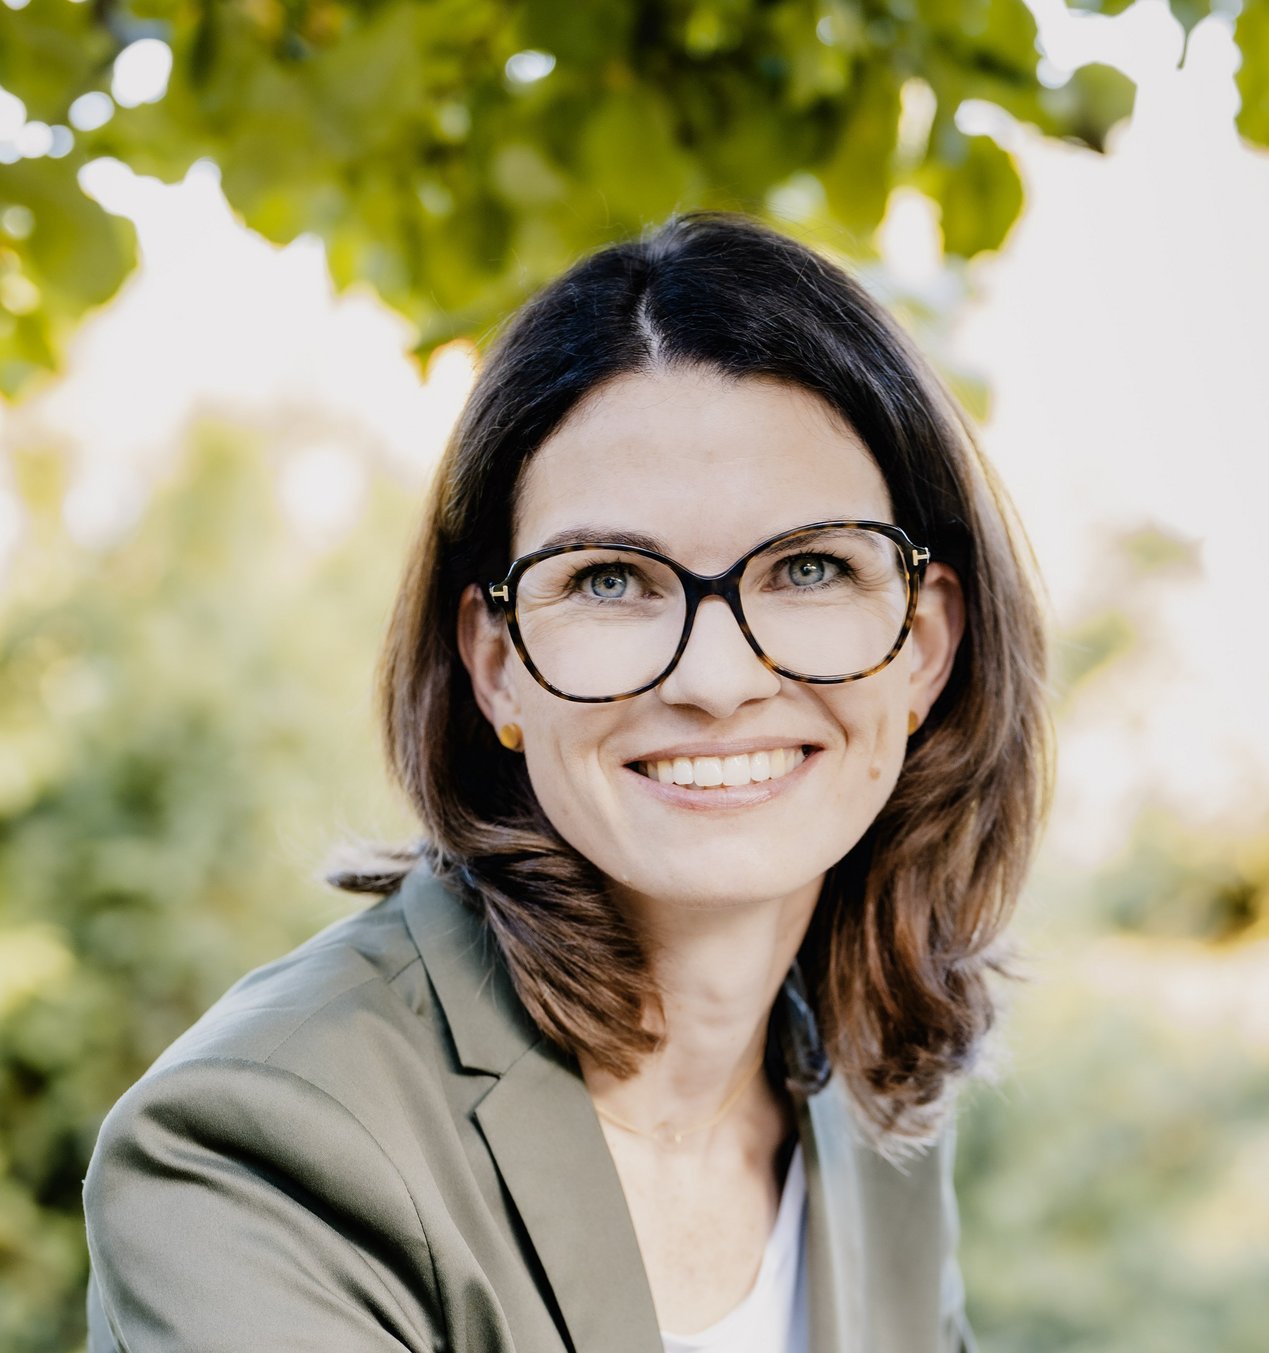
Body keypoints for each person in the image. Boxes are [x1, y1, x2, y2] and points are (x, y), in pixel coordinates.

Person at [82, 212, 1051, 1353]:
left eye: (807, 566)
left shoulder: (867, 1102)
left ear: (924, 644)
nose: (717, 676)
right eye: (608, 581)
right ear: (495, 666)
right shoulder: (260, 1146)